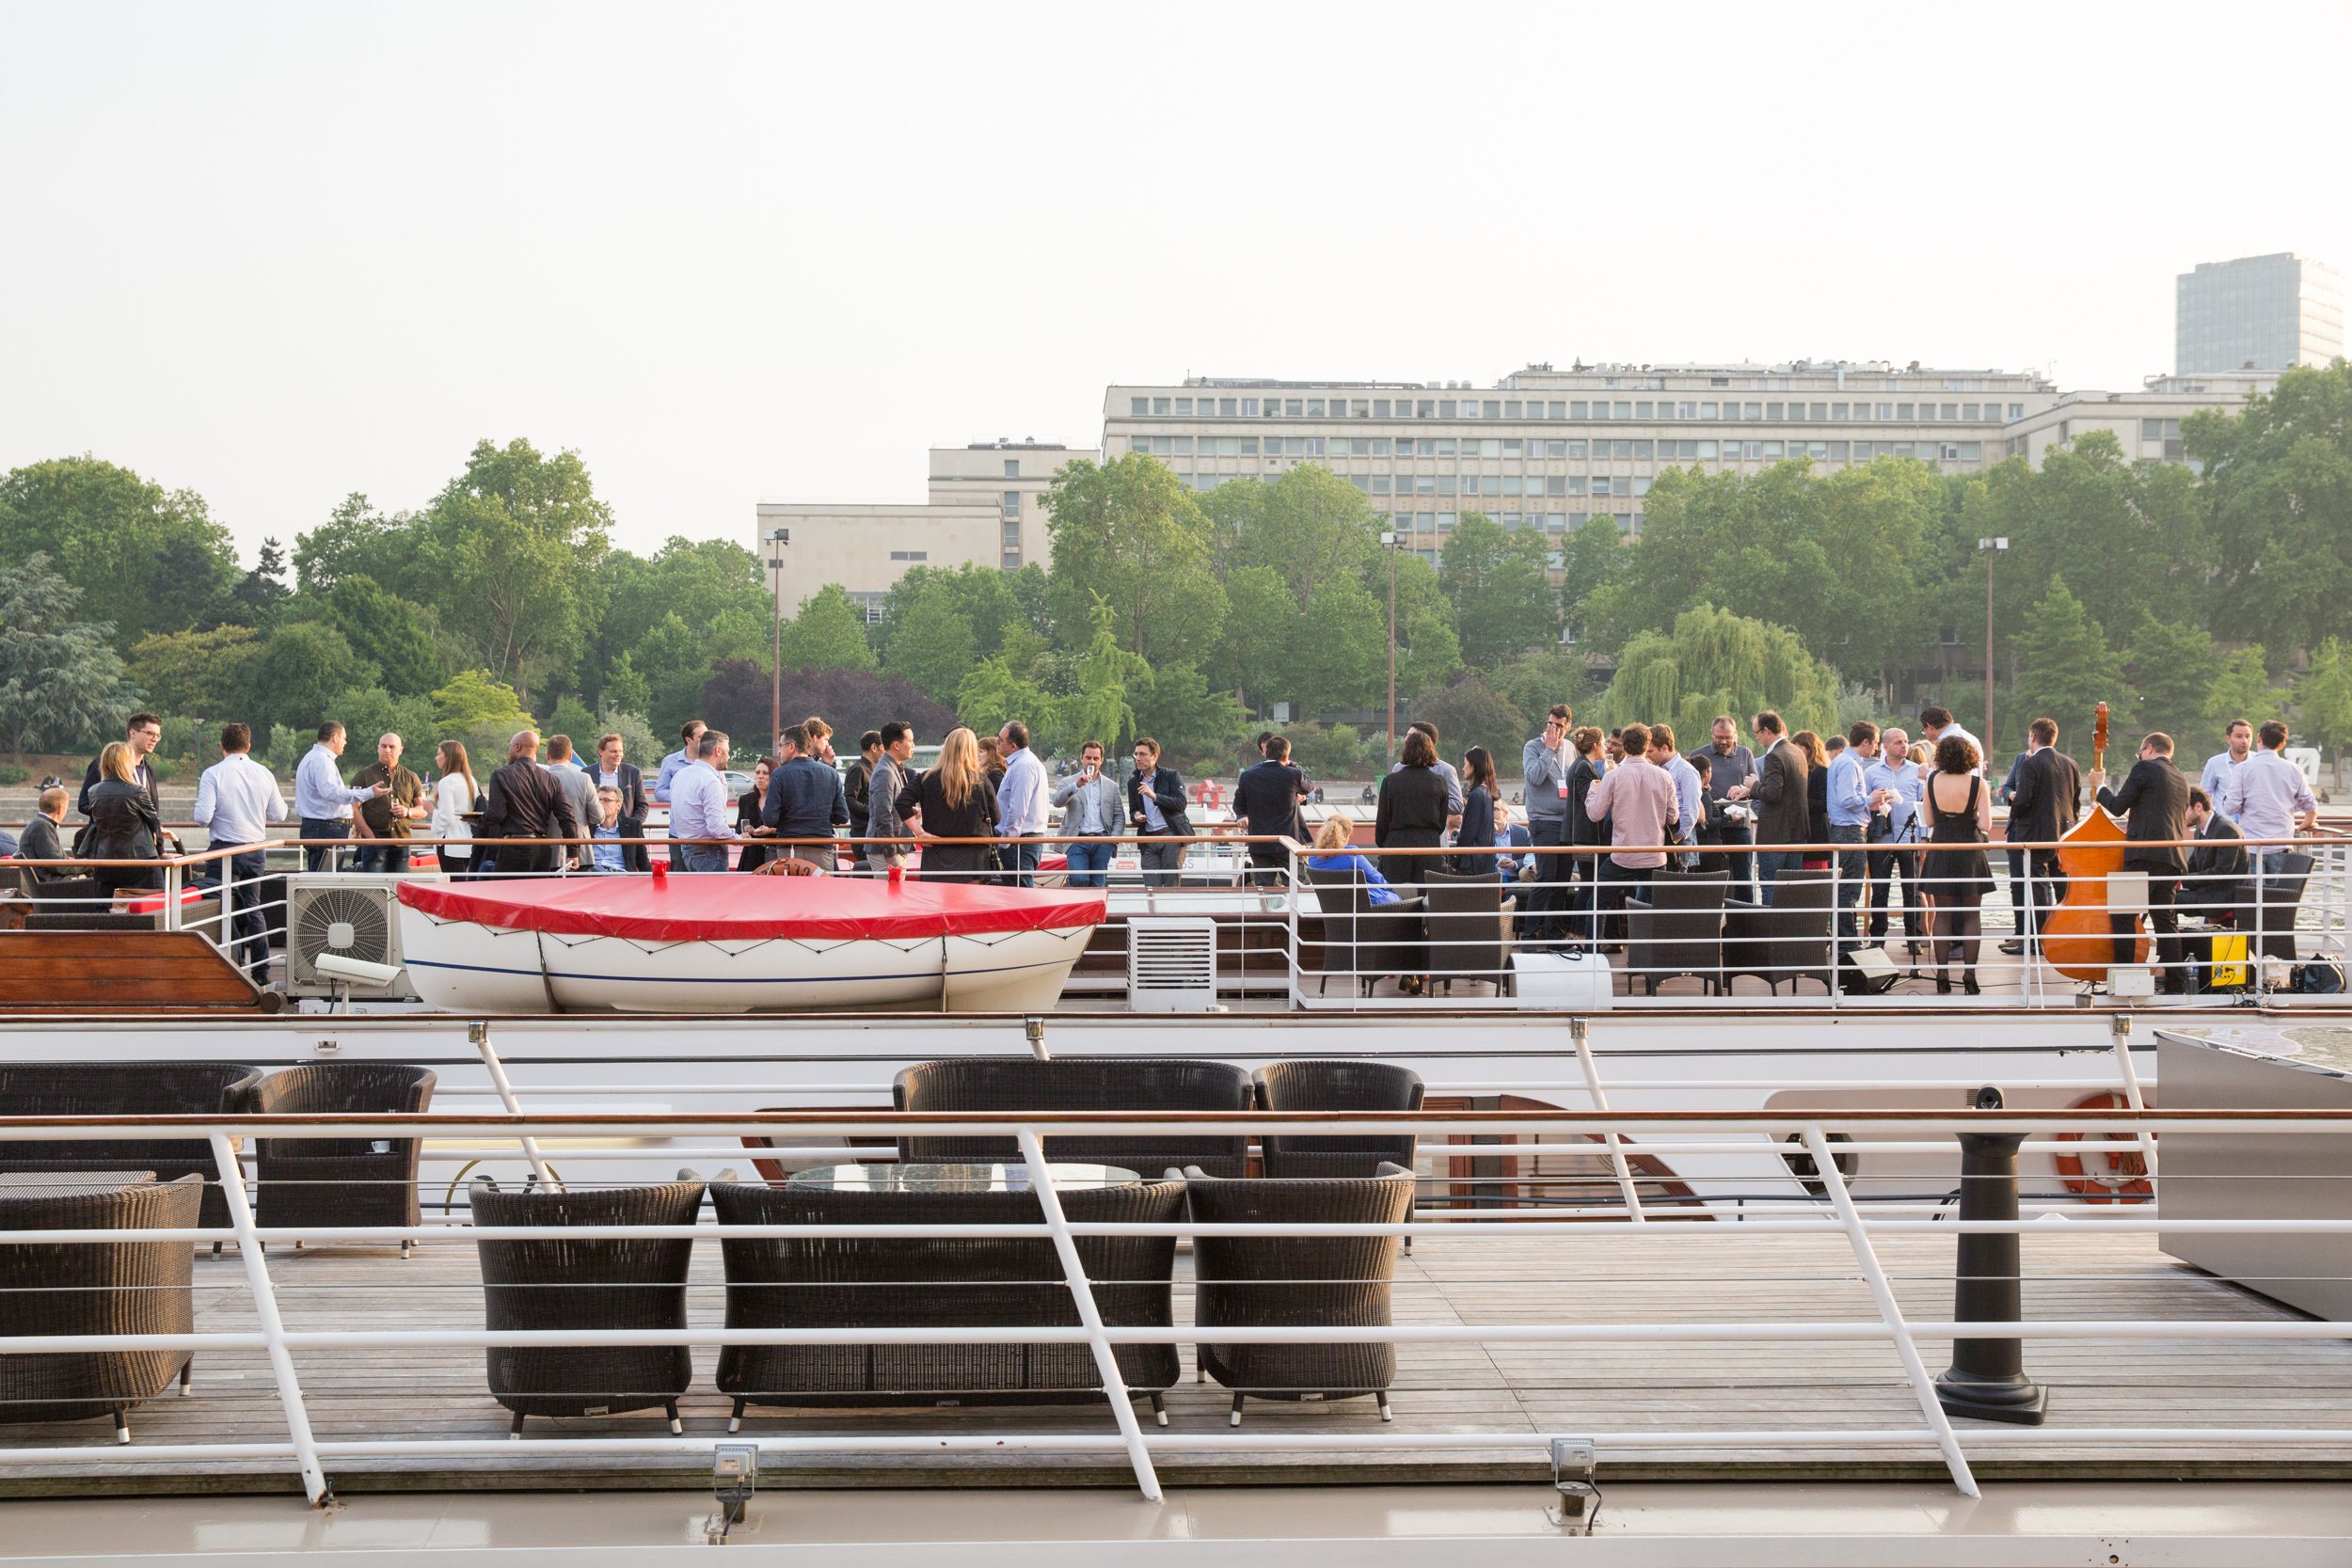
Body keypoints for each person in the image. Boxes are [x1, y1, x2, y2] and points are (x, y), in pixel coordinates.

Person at [2088, 731, 2192, 993]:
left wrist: (2099, 785)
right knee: (2165, 921)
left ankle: (2125, 984)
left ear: (2148, 748)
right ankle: (2176, 985)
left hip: (2143, 857)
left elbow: (2118, 806)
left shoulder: (2144, 767)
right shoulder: (2181, 778)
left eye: (2140, 753)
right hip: (2172, 858)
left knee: (2123, 917)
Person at [189, 722, 288, 977]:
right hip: (255, 850)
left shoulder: (213, 774)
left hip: (223, 852)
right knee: (253, 908)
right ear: (248, 746)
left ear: (221, 746)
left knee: (225, 909)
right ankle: (261, 969)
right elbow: (280, 814)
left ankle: (233, 967)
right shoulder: (264, 773)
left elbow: (202, 817)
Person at [1583, 721, 1678, 942]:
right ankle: (1650, 963)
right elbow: (1673, 817)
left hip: (1623, 855)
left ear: (1624, 747)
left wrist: (1592, 791)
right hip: (1654, 855)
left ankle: (1592, 956)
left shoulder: (1613, 776)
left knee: (1596, 904)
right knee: (1650, 910)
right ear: (1648, 746)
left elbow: (1595, 814)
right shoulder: (1664, 777)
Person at [1375, 728, 1450, 993]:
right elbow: (1441, 825)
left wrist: (1386, 845)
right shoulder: (1439, 782)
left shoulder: (1391, 782)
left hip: (1396, 848)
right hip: (1428, 849)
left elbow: (1381, 823)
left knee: (1397, 906)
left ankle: (1399, 963)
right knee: (1424, 909)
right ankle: (1419, 967)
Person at [1919, 732, 1994, 995]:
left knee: (1943, 914)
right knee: (1972, 915)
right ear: (1969, 757)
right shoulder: (1977, 784)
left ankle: (1942, 973)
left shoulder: (1931, 782)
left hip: (1941, 848)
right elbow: (1986, 825)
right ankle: (1970, 974)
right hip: (1969, 851)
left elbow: (1928, 822)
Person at [2002, 717, 2082, 954]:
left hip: (2035, 834)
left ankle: (2037, 941)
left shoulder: (2030, 764)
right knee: (2061, 888)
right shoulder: (2070, 763)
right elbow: (2075, 802)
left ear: (2033, 737)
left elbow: (2024, 799)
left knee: (2036, 887)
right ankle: (2064, 935)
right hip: (2064, 834)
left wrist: (2015, 814)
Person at [898, 725, 999, 881]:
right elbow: (996, 818)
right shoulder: (981, 781)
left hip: (936, 853)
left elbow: (902, 803)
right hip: (974, 853)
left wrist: (919, 832)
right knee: (971, 903)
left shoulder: (926, 778)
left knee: (938, 902)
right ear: (972, 750)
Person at [481, 729, 583, 876]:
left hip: (513, 847)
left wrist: (479, 821)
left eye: (510, 747)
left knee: (505, 895)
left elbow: (496, 814)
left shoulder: (500, 775)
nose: (508, 752)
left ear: (517, 747)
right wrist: (573, 851)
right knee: (536, 895)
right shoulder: (551, 780)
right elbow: (567, 816)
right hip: (541, 849)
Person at [1729, 710, 1807, 899]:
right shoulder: (1797, 752)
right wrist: (1752, 790)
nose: (1756, 738)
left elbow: (1773, 793)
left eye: (1756, 733)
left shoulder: (1774, 756)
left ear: (1766, 731)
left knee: (1771, 886)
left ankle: (1771, 928)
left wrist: (1754, 785)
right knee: (1792, 890)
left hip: (1775, 834)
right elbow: (1787, 790)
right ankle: (1791, 928)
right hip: (1797, 832)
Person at [2216, 720, 2319, 860]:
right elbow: (2311, 806)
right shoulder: (2294, 769)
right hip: (2282, 844)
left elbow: (2230, 808)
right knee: (2282, 882)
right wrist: (2305, 824)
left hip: (2251, 846)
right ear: (2282, 744)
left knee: (2252, 882)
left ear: (2258, 737)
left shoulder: (2243, 769)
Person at [294, 721, 387, 873]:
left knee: (321, 878)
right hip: (326, 829)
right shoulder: (322, 761)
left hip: (320, 827)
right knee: (326, 882)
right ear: (335, 737)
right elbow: (331, 792)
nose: (345, 742)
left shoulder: (311, 757)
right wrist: (368, 793)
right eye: (344, 738)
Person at [762, 721, 851, 873]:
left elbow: (769, 818)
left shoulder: (779, 774)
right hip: (822, 847)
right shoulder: (831, 773)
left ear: (791, 747)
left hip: (789, 848)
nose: (779, 751)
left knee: (791, 895)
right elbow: (842, 816)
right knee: (822, 894)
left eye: (781, 746)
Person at [1864, 727, 1923, 950]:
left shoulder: (1917, 771)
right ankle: (1877, 938)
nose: (1904, 745)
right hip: (1882, 838)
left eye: (1906, 741)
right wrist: (1876, 802)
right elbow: (1864, 805)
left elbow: (1923, 805)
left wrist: (1924, 838)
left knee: (1912, 891)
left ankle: (1914, 938)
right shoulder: (1871, 773)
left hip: (1910, 838)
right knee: (1880, 890)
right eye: (1898, 742)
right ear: (1886, 746)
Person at [82, 740, 163, 901]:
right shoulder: (137, 791)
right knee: (153, 903)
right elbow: (153, 820)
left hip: (105, 858)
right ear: (126, 762)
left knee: (105, 907)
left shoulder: (93, 791)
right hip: (140, 859)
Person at [1520, 704, 1575, 939]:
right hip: (1543, 820)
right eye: (1550, 724)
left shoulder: (1571, 748)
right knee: (1546, 877)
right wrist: (1549, 750)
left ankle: (1556, 933)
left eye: (1559, 725)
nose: (1554, 729)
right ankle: (1530, 933)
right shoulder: (1533, 747)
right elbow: (1534, 777)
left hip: (1566, 822)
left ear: (1568, 727)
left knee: (1562, 880)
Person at [1692, 715, 1757, 898]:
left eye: (1728, 737)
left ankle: (1744, 920)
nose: (1723, 741)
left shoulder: (1746, 753)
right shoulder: (1699, 755)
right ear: (1711, 734)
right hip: (1711, 829)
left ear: (1735, 734)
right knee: (1711, 879)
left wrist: (1744, 789)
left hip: (1739, 824)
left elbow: (1756, 786)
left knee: (1743, 877)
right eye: (1719, 737)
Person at [1233, 734, 1311, 887]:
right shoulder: (1293, 774)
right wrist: (1291, 765)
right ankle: (1293, 912)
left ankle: (1265, 911)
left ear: (1265, 752)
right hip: (1288, 843)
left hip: (1259, 842)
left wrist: (1242, 816)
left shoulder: (1247, 776)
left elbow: (1238, 804)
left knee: (1262, 888)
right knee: (1297, 885)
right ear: (1287, 755)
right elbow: (1309, 787)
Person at [1824, 722, 1878, 945]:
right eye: (1875, 743)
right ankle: (1847, 943)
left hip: (1843, 830)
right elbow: (1847, 800)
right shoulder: (1849, 764)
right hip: (1850, 832)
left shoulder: (1840, 761)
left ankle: (1846, 941)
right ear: (1865, 742)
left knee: (1844, 889)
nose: (1876, 749)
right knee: (1848, 890)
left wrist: (1868, 803)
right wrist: (1871, 799)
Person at [349, 733, 424, 874]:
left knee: (399, 890)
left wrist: (408, 811)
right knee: (375, 891)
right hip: (374, 843)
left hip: (402, 843)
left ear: (401, 750)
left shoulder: (411, 777)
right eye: (383, 746)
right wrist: (369, 836)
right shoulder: (364, 775)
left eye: (392, 747)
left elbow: (422, 809)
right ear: (378, 748)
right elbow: (352, 809)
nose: (387, 750)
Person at [1054, 738, 1123, 889]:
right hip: (1077, 840)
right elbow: (1057, 802)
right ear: (1081, 758)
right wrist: (1076, 786)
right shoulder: (1069, 782)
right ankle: (1079, 911)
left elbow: (1119, 815)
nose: (1092, 762)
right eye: (1088, 758)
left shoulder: (1111, 786)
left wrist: (1112, 840)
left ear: (1101, 760)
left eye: (1096, 758)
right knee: (1078, 880)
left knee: (1098, 885)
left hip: (1102, 841)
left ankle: (1095, 913)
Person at [661, 728, 734, 873]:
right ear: (718, 751)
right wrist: (736, 837)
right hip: (709, 851)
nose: (729, 757)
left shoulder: (680, 775)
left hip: (686, 847)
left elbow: (675, 816)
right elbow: (716, 827)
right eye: (727, 752)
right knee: (715, 895)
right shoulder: (711, 781)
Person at [1565, 724, 1611, 944]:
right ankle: (1579, 932)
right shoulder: (1584, 767)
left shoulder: (1581, 765)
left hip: (1582, 834)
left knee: (1587, 883)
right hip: (1586, 835)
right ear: (1594, 745)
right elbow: (1588, 799)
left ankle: (1578, 930)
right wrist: (1606, 783)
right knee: (1589, 884)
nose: (1605, 747)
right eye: (1603, 743)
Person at [1126, 737, 1192, 889]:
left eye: (1143, 754)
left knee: (1171, 886)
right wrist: (1136, 816)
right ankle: (1153, 913)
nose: (1138, 758)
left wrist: (1154, 795)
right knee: (1150, 888)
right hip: (1147, 840)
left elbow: (1181, 803)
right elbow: (1133, 811)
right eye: (1136, 754)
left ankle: (1169, 913)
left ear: (1155, 756)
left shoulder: (1171, 776)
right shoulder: (1133, 782)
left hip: (1171, 836)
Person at [994, 721, 1051, 887]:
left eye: (1000, 740)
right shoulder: (1025, 763)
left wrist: (1006, 841)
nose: (997, 742)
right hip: (1022, 841)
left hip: (1019, 843)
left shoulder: (1023, 766)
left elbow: (1018, 809)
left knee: (1019, 895)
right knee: (1019, 894)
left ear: (1013, 746)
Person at [79, 713, 164, 820]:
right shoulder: (104, 763)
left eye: (158, 736)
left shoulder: (148, 769)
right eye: (150, 733)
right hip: (112, 835)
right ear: (133, 733)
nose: (155, 739)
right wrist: (123, 818)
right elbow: (84, 804)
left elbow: (153, 809)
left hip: (144, 836)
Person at [2184, 784, 2249, 926]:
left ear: (2198, 807)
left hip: (2223, 896)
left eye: (2184, 809)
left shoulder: (2226, 830)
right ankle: (2172, 942)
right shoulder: (2200, 831)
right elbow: (2193, 864)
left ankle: (2170, 943)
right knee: (2165, 898)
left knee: (2166, 901)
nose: (2180, 814)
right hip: (2210, 892)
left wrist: (2183, 879)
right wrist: (2175, 875)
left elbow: (2222, 871)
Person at [1307, 814, 1401, 905]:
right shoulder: (1351, 854)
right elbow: (1375, 878)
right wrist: (1390, 888)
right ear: (1345, 836)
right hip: (1369, 906)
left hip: (1335, 908)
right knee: (1409, 892)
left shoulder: (1313, 858)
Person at [653, 720, 707, 871]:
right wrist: (681, 795)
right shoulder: (670, 761)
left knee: (707, 883)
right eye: (702, 736)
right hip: (679, 833)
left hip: (706, 833)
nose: (706, 740)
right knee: (679, 879)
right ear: (688, 740)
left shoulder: (712, 761)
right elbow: (659, 792)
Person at [1646, 724, 1702, 872]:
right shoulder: (1656, 770)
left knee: (1674, 889)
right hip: (1659, 838)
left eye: (1650, 751)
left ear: (1664, 748)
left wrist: (1676, 837)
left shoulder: (1686, 771)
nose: (1647, 755)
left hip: (1676, 840)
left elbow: (1690, 811)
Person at [865, 721, 917, 877]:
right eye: (910, 741)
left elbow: (888, 809)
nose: (913, 745)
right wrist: (891, 855)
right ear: (896, 745)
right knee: (888, 899)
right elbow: (882, 815)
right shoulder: (885, 772)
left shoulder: (891, 768)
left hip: (891, 850)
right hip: (886, 852)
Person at [540, 736, 599, 871]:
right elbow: (598, 816)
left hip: (548, 850)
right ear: (570, 756)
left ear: (548, 755)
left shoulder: (539, 779)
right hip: (581, 851)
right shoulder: (584, 778)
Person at [590, 733, 648, 870]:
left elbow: (642, 805)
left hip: (625, 836)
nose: (618, 755)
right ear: (601, 751)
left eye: (620, 751)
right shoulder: (586, 773)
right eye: (613, 751)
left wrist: (631, 827)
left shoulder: (633, 772)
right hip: (595, 833)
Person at [429, 740, 480, 878]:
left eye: (439, 754)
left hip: (450, 843)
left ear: (448, 757)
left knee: (454, 885)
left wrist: (432, 811)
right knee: (464, 885)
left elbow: (448, 818)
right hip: (468, 841)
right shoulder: (470, 780)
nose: (436, 758)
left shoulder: (446, 782)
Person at [1453, 746, 1501, 878]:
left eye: (1465, 764)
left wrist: (1456, 858)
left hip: (1472, 864)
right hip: (1483, 862)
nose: (1463, 768)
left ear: (1474, 766)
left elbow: (1468, 832)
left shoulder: (1477, 794)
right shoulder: (1486, 792)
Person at [15, 786, 72, 882]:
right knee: (95, 878)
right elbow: (57, 866)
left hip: (47, 883)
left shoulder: (38, 824)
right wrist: (88, 865)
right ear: (60, 809)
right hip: (52, 886)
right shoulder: (42, 827)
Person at [1792, 730, 1832, 867]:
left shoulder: (1821, 772)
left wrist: (1800, 802)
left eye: (1799, 748)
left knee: (1816, 873)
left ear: (1810, 749)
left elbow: (1826, 803)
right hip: (1799, 831)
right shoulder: (1796, 771)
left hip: (1816, 832)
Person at [736, 757, 778, 872]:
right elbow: (738, 828)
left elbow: (788, 828)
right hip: (751, 856)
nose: (760, 776)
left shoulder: (780, 800)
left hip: (775, 856)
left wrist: (771, 830)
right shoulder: (746, 800)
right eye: (758, 772)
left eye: (765, 773)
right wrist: (746, 831)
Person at [1919, 705, 1984, 777]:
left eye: (1923, 730)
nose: (1925, 734)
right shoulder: (1970, 737)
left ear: (1929, 726)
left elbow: (1952, 775)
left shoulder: (1949, 742)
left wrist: (1928, 774)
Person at [2200, 720, 2255, 800]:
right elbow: (2204, 794)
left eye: (2248, 736)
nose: (2245, 741)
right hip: (2224, 813)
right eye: (2239, 736)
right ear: (2228, 739)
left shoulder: (2259, 761)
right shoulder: (2214, 763)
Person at [846, 730, 883, 836]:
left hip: (871, 829)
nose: (886, 751)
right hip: (863, 832)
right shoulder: (858, 769)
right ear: (874, 748)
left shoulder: (874, 769)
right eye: (884, 747)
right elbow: (850, 800)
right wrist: (874, 811)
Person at [586, 785, 630, 873]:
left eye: (607, 800)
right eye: (598, 800)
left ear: (618, 805)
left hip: (621, 876)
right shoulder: (587, 825)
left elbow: (642, 859)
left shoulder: (632, 826)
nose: (601, 804)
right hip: (593, 876)